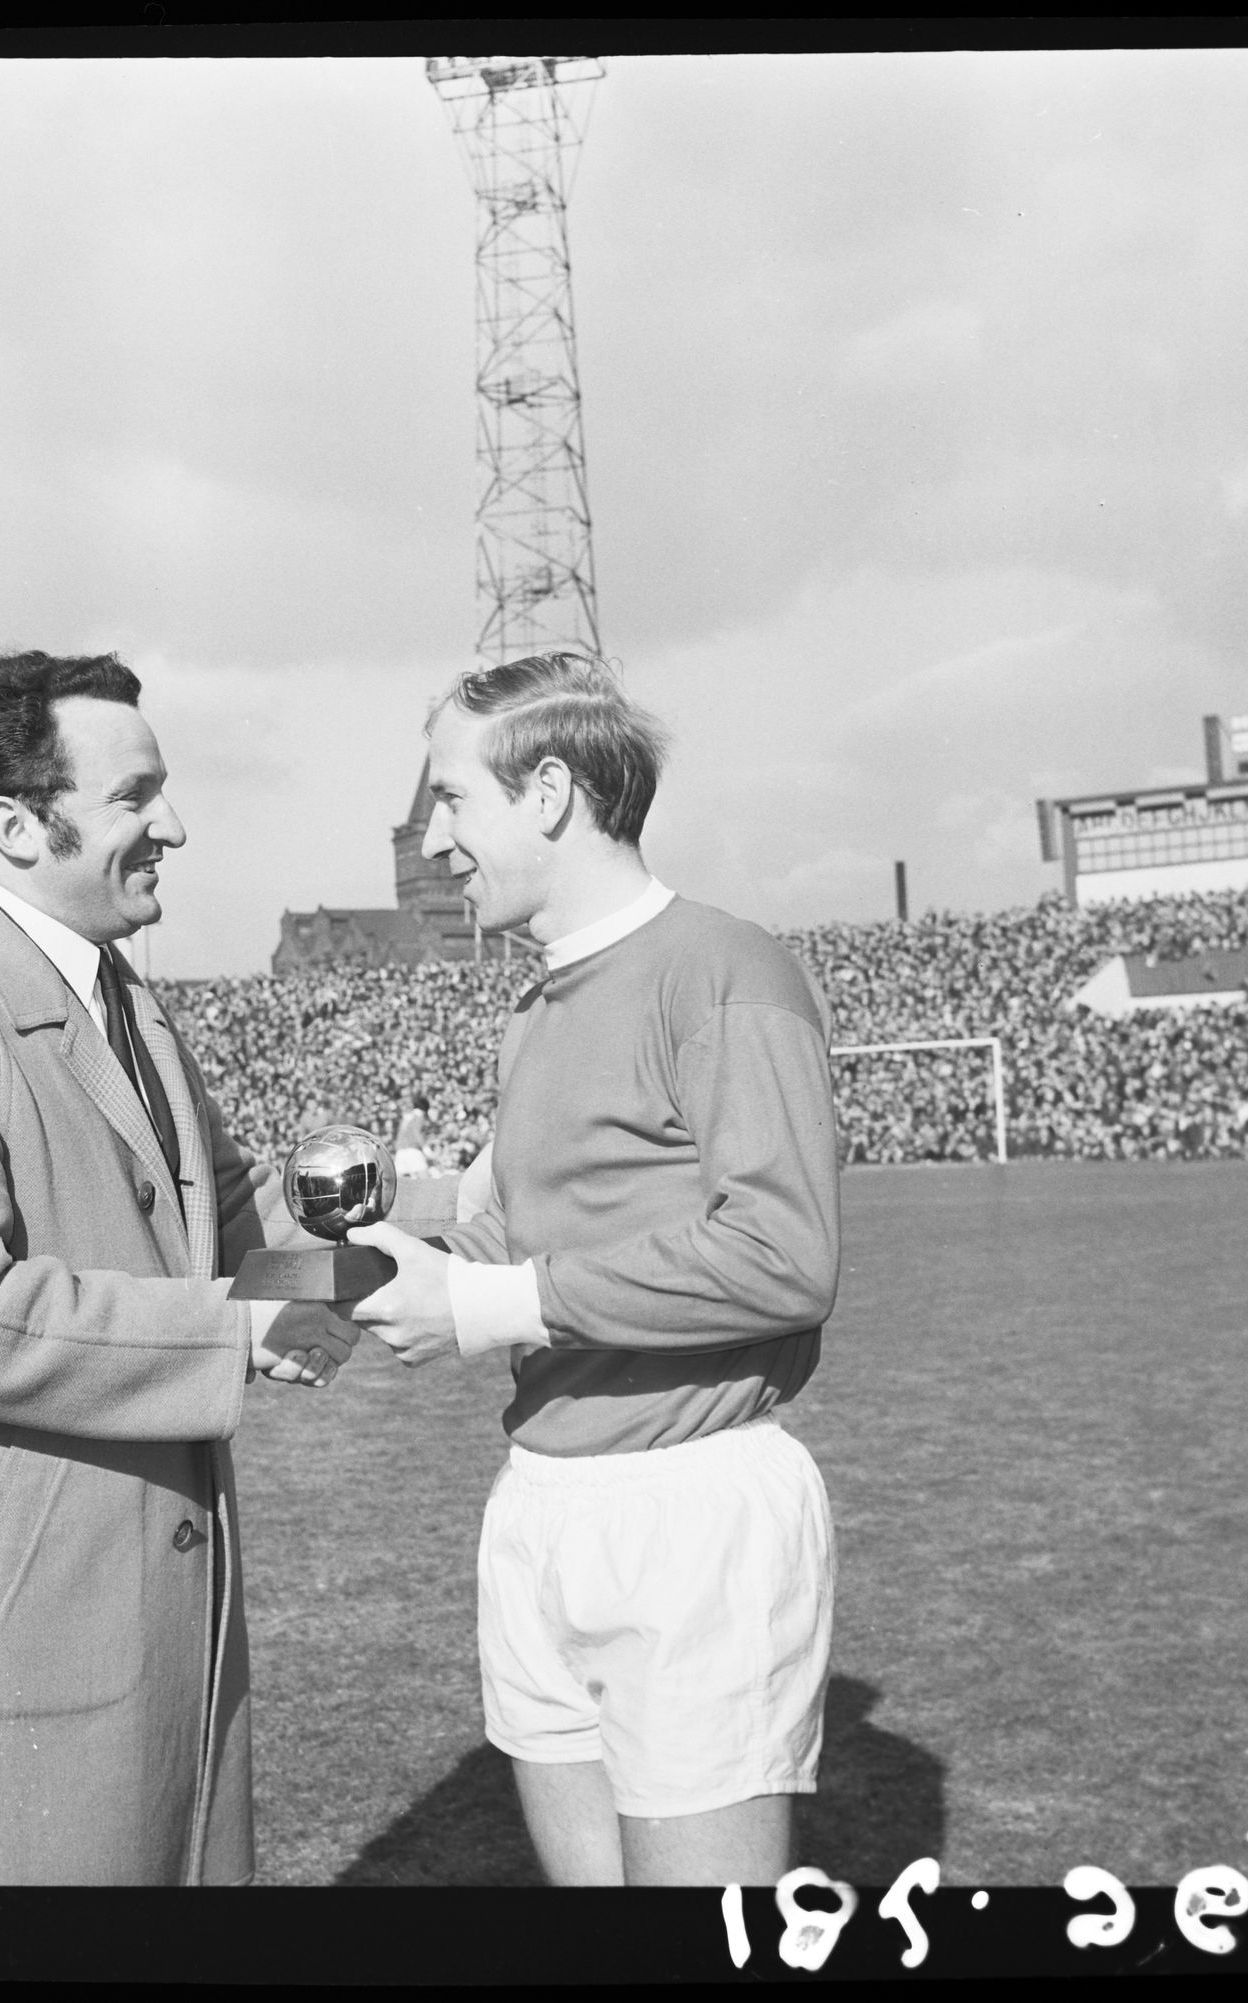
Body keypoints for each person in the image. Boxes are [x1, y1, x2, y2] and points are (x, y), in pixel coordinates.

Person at [0, 651, 358, 1885]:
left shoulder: (123, 997)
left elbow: (230, 1225)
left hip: (127, 1634)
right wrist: (238, 1330)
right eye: (137, 794)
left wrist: (375, 1276)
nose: (173, 826)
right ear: (17, 826)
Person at [350, 652, 841, 1887]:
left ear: (552, 790)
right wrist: (368, 1279)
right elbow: (508, 1239)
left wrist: (484, 1300)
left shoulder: (728, 967)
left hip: (690, 1511)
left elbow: (782, 1258)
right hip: (538, 1502)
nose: (432, 832)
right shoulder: (534, 1010)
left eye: (453, 796)